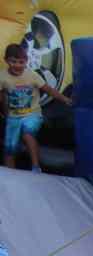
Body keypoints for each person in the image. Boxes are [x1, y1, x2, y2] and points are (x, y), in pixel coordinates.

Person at [0, 43, 71, 172]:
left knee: (27, 134)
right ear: (6, 60)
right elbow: (2, 97)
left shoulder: (32, 75)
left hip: (32, 114)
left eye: (21, 62)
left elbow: (49, 90)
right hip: (13, 116)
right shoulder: (2, 76)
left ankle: (36, 167)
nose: (17, 65)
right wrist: (6, 114)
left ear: (26, 61)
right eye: (13, 61)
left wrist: (65, 99)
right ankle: (10, 173)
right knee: (10, 146)